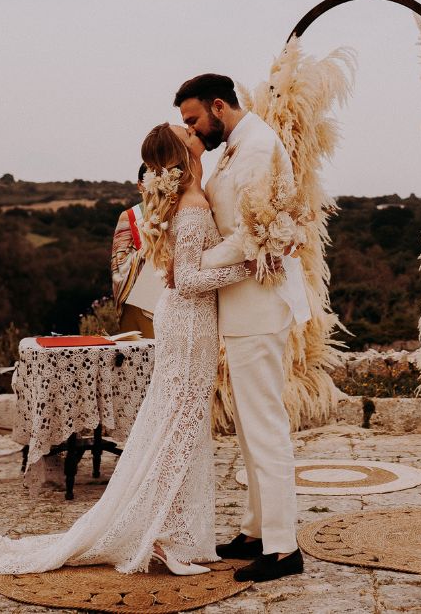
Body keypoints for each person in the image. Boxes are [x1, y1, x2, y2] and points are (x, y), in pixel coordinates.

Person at [0, 123, 252, 576]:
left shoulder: (192, 195)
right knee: (178, 431)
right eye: (185, 131)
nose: (194, 130)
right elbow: (188, 281)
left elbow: (176, 272)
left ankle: (174, 531)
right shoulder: (188, 206)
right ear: (180, 152)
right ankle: (163, 538)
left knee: (178, 427)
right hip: (188, 325)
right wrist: (246, 267)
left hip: (191, 323)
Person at [176, 73, 310, 584]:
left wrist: (192, 263)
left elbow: (249, 235)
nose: (192, 129)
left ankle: (282, 548)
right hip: (241, 306)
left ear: (217, 106)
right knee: (251, 426)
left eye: (193, 120)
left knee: (264, 426)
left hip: (257, 305)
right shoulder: (237, 146)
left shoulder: (255, 149)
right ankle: (256, 530)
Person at [111, 163, 159, 339]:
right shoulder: (129, 217)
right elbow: (119, 263)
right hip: (139, 298)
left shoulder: (177, 212)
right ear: (140, 185)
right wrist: (151, 250)